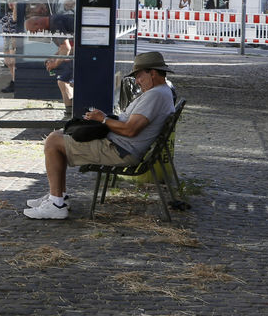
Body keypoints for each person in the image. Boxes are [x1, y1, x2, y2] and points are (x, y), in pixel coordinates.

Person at [25, 51, 177, 220]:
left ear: (153, 73)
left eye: (139, 76)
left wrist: (103, 119)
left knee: (53, 141)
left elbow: (130, 130)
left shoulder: (155, 95)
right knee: (60, 134)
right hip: (120, 145)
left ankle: (56, 204)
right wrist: (103, 119)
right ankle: (59, 197)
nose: (137, 81)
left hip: (120, 150)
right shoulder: (161, 91)